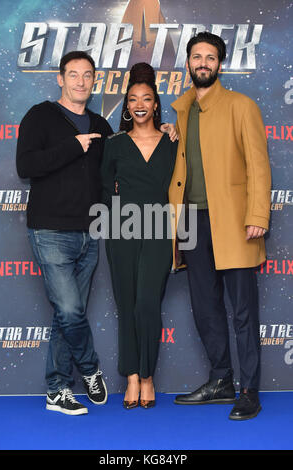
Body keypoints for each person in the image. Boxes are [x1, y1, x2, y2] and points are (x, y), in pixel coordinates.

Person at [169, 32, 271, 420]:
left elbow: (259, 165)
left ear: (220, 64)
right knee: (205, 308)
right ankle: (220, 381)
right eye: (197, 57)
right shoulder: (182, 112)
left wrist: (258, 216)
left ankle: (249, 390)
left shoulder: (241, 105)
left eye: (210, 58)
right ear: (189, 64)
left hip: (233, 221)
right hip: (192, 222)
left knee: (243, 310)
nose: (203, 63)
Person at [16, 51, 113, 415]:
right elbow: (25, 166)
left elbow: (114, 170)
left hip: (90, 234)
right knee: (71, 310)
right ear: (60, 78)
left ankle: (57, 389)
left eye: (87, 75)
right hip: (50, 231)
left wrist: (167, 128)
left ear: (93, 80)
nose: (80, 81)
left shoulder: (102, 125)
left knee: (64, 313)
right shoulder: (40, 116)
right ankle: (89, 369)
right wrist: (72, 146)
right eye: (73, 75)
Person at [101, 63, 177, 409]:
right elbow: (104, 191)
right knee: (127, 304)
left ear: (156, 104)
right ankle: (131, 377)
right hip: (122, 231)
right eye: (133, 99)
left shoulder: (172, 142)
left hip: (160, 229)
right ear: (127, 106)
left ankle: (148, 375)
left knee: (148, 303)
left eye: (146, 98)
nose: (140, 104)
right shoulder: (115, 144)